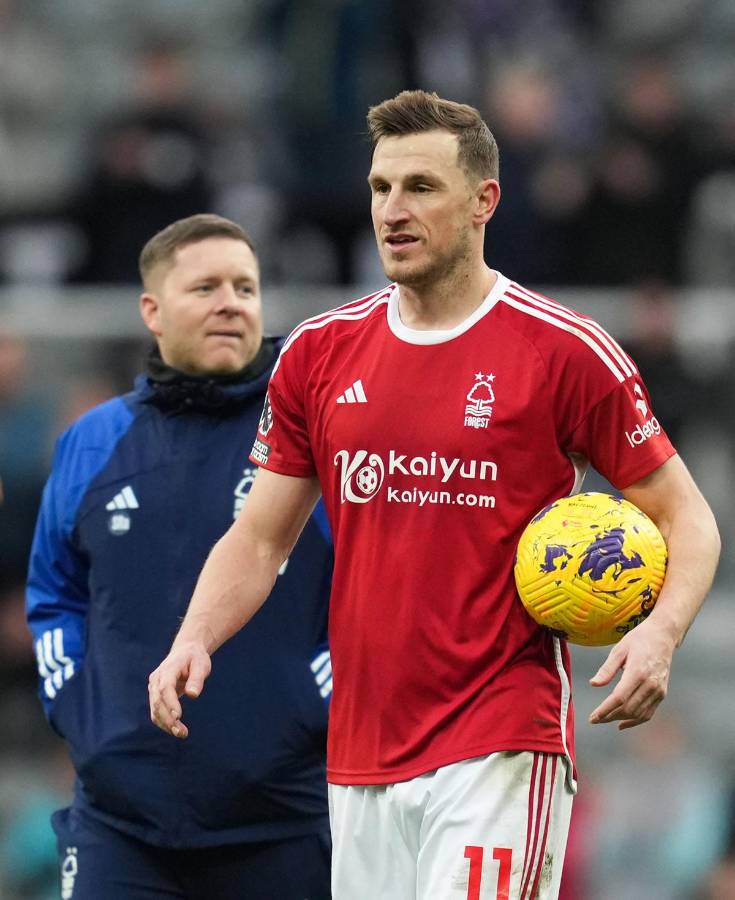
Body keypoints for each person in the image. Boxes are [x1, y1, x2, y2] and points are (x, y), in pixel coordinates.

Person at [148, 92, 721, 899]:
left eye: (420, 187)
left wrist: (659, 634)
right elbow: (259, 538)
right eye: (381, 188)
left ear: (483, 200)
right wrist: (193, 638)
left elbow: (685, 517)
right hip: (358, 749)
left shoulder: (562, 351)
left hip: (499, 738)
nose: (392, 210)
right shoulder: (317, 353)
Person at [26, 214, 334, 899]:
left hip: (282, 821)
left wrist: (313, 704)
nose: (231, 302)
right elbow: (54, 597)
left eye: (245, 288)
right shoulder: (92, 442)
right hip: (118, 826)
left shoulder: (312, 443)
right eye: (206, 287)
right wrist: (85, 713)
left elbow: (367, 599)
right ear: (152, 310)